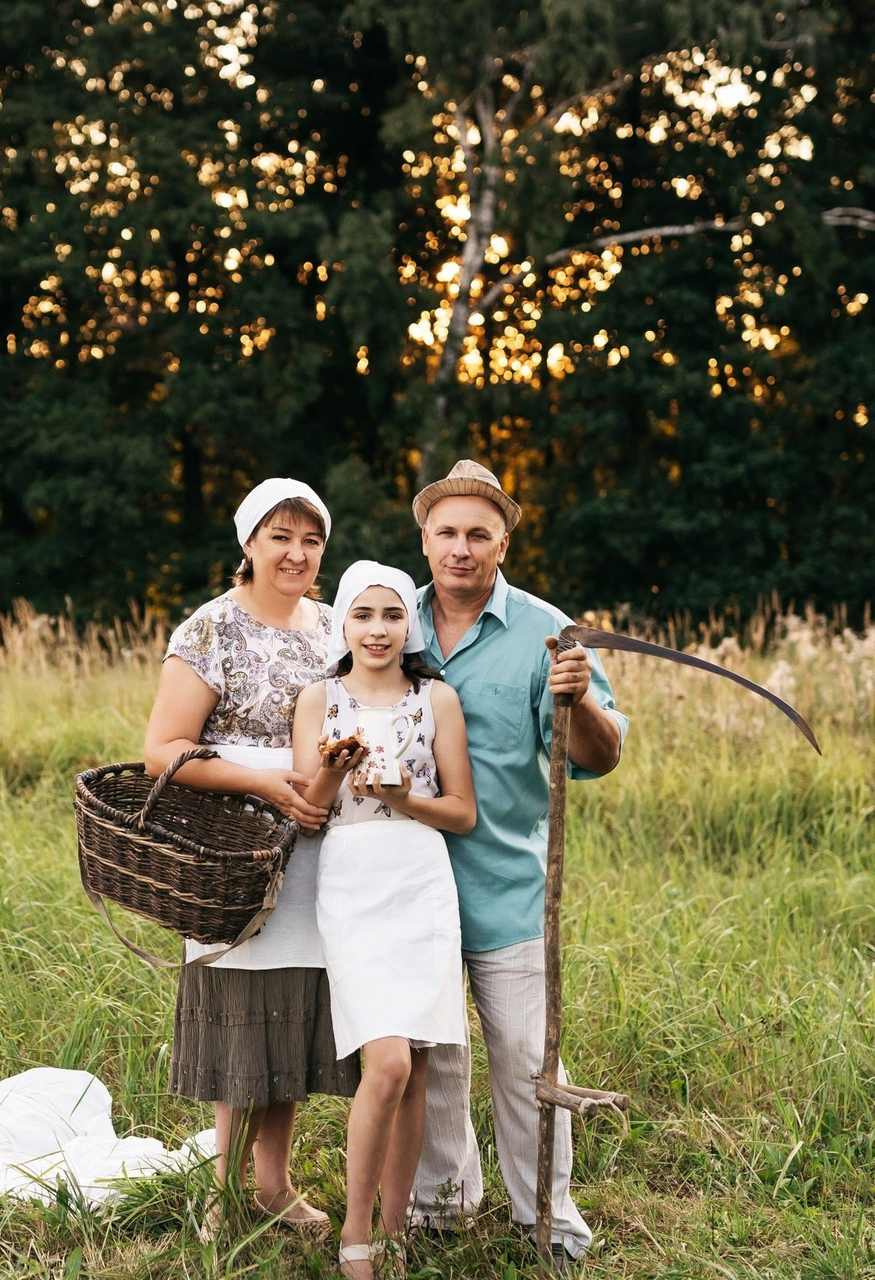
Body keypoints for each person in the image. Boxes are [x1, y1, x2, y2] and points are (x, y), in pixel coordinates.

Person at [406, 460, 629, 1274]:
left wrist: (581, 701)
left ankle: (550, 1224)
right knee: (434, 1058)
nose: (460, 548)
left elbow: (598, 758)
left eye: (478, 533)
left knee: (526, 1065)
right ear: (424, 540)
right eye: (446, 533)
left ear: (504, 539)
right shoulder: (390, 621)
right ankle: (440, 1209)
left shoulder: (548, 631)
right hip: (408, 892)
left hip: (506, 890)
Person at [142, 477, 360, 1241]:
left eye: (311, 541)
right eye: (281, 537)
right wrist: (266, 785)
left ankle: (273, 1183)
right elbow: (162, 751)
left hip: (315, 845)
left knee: (292, 1012)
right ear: (248, 544)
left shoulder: (336, 628)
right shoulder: (210, 629)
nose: (297, 553)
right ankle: (223, 1191)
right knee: (239, 1012)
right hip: (232, 848)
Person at [292, 561, 476, 1280]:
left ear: (411, 625)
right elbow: (309, 812)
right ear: (342, 623)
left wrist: (406, 800)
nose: (377, 629)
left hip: (421, 877)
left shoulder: (438, 701)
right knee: (388, 1060)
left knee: (420, 1063)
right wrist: (337, 769)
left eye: (391, 615)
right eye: (363, 615)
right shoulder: (319, 699)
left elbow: (461, 812)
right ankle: (356, 1231)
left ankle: (397, 1228)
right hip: (352, 877)